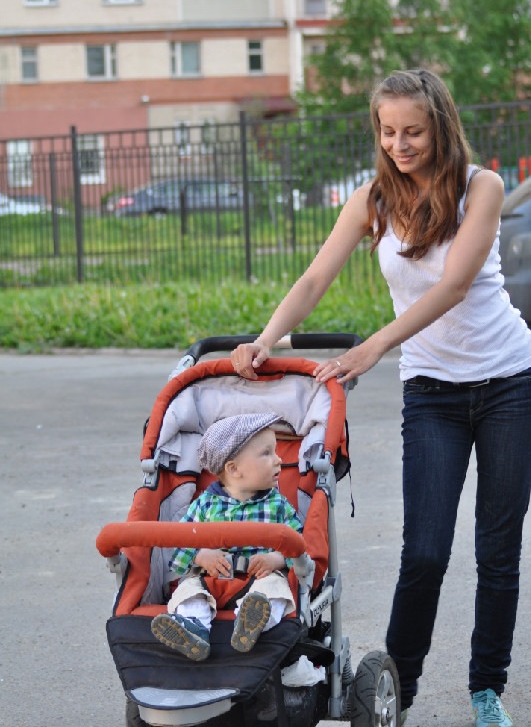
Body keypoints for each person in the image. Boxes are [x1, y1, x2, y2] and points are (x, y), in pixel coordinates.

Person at [230, 69, 531, 727]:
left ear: (440, 126)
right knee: (423, 552)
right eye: (388, 131)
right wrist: (265, 338)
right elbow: (315, 277)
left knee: (497, 552)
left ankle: (485, 689)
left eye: (413, 131)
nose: (399, 144)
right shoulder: (372, 199)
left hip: (510, 383)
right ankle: (396, 689)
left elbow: (453, 286)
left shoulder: (480, 187)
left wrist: (370, 348)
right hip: (432, 394)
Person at [151, 412, 302, 661]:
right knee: (188, 590)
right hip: (211, 580)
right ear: (233, 469)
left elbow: (300, 543)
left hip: (258, 580)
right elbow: (178, 545)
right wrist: (200, 556)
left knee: (276, 590)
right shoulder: (205, 505)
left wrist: (276, 559)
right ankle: (193, 628)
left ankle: (252, 623)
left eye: (275, 452)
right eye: (267, 453)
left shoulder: (277, 505)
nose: (279, 460)